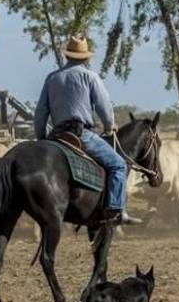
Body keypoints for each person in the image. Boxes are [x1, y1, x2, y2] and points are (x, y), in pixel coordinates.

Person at [33, 36, 141, 225]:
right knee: (118, 165)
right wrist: (109, 125)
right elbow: (104, 106)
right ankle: (116, 210)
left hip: (56, 135)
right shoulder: (90, 76)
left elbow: (40, 112)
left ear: (68, 56)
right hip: (81, 134)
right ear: (85, 58)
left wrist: (42, 139)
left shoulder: (52, 78)